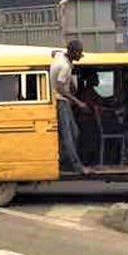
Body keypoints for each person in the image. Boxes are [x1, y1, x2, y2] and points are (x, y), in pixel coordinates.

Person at [50, 40, 89, 174]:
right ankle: (76, 166)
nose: (80, 55)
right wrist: (78, 102)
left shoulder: (60, 56)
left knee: (74, 132)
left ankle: (62, 161)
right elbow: (60, 87)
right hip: (60, 101)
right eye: (79, 52)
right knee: (68, 136)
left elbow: (53, 53)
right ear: (73, 52)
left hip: (64, 101)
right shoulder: (64, 66)